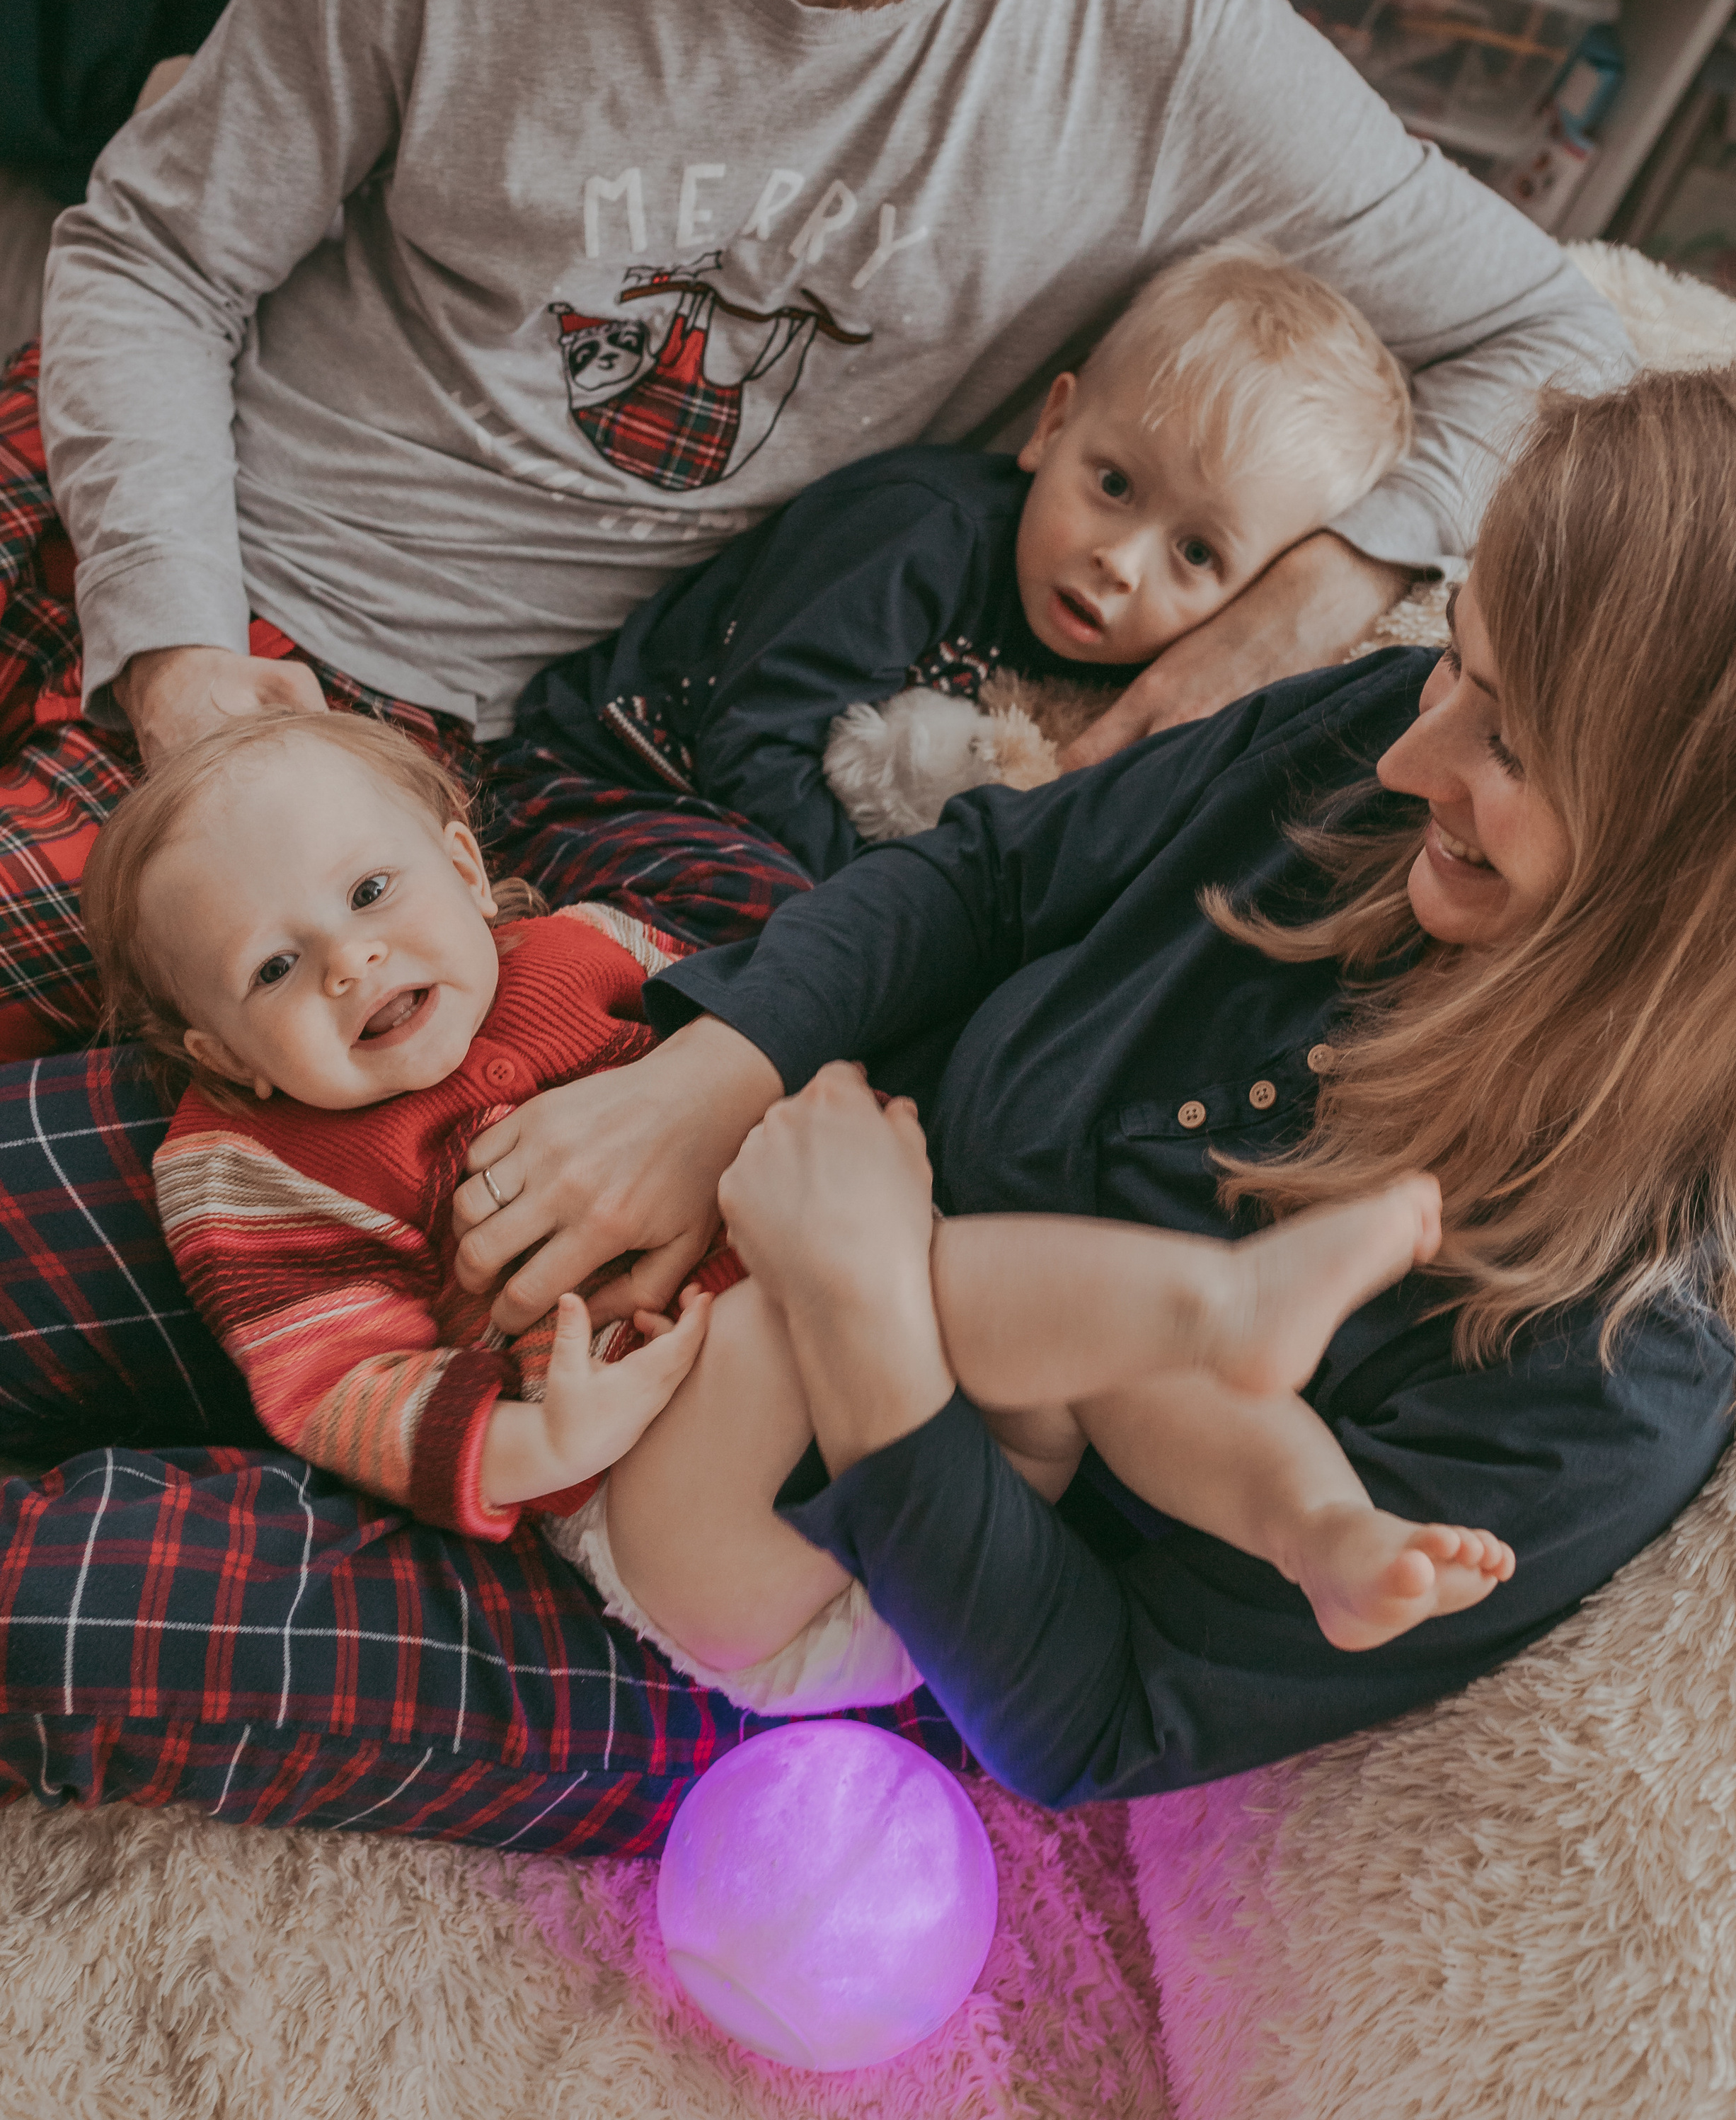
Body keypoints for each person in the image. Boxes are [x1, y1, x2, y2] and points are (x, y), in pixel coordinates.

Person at [0, 364, 1736, 1840]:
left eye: (1506, 744)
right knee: (46, 1198)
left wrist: (856, 1320)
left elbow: (1093, 1709)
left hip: (793, 1576)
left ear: (1696, 876)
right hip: (753, 1156)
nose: (1411, 752)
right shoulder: (1385, 733)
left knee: (71, 1606)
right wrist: (710, 1078)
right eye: (1453, 656)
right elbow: (988, 878)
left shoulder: (1613, 1358)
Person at [14, 0, 1631, 1058]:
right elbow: (152, 256)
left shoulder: (1166, 39)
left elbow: (1547, 334)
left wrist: (1305, 597)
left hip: (593, 740)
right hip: (236, 581)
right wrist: (178, 660)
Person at [81, 711, 1511, 1717]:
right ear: (218, 1050)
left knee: (1073, 1348)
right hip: (689, 1543)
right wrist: (538, 1438)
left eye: (373, 890)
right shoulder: (250, 1162)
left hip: (962, 1501)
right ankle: (1220, 1299)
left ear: (464, 867)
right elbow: (330, 1380)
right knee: (823, 1297)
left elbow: (774, 1072)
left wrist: (830, 1133)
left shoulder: (595, 955)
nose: (350, 962)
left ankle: (1317, 1527)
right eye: (273, 970)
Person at [507, 239, 1412, 881]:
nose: (1120, 563)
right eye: (1114, 486)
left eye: (1198, 552)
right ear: (1051, 426)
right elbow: (753, 738)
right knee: (775, 934)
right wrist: (888, 906)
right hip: (611, 769)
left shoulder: (1144, 683)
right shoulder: (920, 535)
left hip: (751, 822)